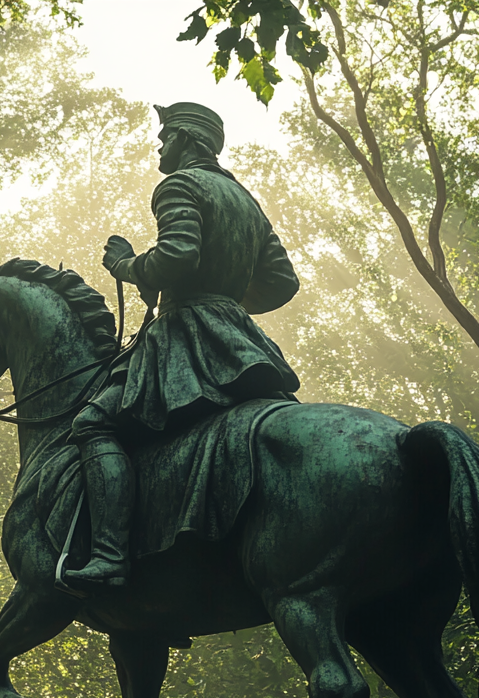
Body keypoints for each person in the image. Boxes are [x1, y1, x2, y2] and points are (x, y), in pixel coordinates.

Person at [61, 102, 302, 595]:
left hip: (186, 337)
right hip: (239, 341)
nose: (159, 144)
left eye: (166, 135)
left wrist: (127, 265)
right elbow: (281, 282)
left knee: (93, 422)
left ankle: (109, 557)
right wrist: (226, 295)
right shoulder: (245, 200)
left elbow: (177, 254)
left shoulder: (178, 185)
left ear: (188, 140)